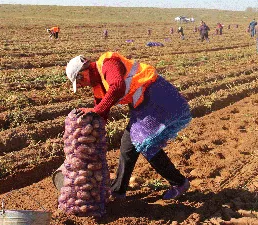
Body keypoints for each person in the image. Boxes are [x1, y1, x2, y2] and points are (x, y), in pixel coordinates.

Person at [65, 52, 192, 200]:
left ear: (82, 74)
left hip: (156, 95)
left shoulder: (108, 63)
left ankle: (179, 183)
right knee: (128, 145)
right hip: (143, 104)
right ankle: (118, 191)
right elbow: (100, 113)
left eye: (79, 82)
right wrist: (88, 134)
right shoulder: (98, 85)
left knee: (145, 143)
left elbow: (117, 86)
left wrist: (97, 111)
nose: (81, 86)